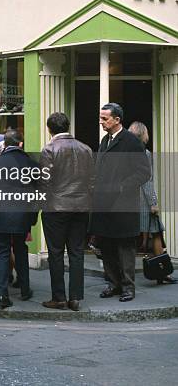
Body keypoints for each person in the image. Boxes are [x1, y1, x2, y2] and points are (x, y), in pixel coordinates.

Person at [90, 103, 150, 302]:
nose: (101, 122)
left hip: (123, 205)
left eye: (105, 118)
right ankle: (113, 284)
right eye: (100, 118)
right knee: (106, 246)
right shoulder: (105, 141)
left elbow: (144, 172)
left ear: (117, 120)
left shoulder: (131, 142)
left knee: (125, 249)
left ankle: (128, 288)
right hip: (104, 204)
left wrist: (122, 186)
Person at [39, 112, 94, 311]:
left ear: (50, 129)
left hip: (56, 208)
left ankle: (59, 297)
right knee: (77, 252)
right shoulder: (85, 149)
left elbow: (45, 183)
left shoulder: (49, 149)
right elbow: (91, 180)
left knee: (55, 253)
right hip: (81, 207)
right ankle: (75, 297)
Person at [0, 129, 39, 309]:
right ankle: (25, 288)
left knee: (2, 252)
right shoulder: (31, 164)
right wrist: (32, 218)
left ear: (5, 144)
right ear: (20, 144)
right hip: (22, 215)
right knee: (21, 249)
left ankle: (2, 295)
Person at [129, 121, 175, 284]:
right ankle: (162, 273)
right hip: (143, 201)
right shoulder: (144, 153)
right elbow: (147, 181)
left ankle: (125, 276)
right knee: (156, 231)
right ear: (144, 135)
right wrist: (153, 203)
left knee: (129, 238)